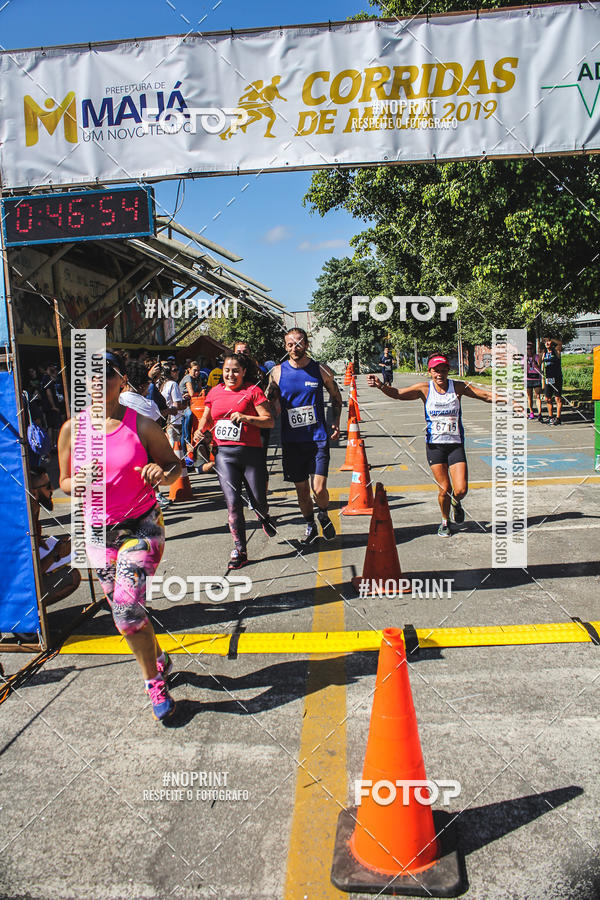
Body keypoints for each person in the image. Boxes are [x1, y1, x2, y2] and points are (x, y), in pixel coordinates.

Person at [58, 351, 182, 722]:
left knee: (127, 613)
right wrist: (78, 482)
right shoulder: (71, 430)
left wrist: (161, 473)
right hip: (98, 533)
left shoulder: (141, 424)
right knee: (129, 614)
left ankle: (154, 683)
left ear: (121, 381)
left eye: (107, 374)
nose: (98, 381)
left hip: (142, 526)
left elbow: (174, 467)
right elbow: (64, 482)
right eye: (91, 375)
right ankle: (158, 657)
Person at [368, 352, 495, 537]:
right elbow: (398, 394)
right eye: (436, 370)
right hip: (435, 447)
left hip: (455, 444)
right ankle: (445, 521)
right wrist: (381, 385)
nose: (440, 374)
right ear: (430, 372)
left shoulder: (457, 387)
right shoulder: (424, 389)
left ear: (448, 371)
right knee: (445, 488)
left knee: (461, 489)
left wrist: (511, 399)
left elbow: (485, 395)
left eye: (443, 370)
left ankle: (455, 502)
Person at [195, 353, 276, 570]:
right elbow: (206, 417)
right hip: (224, 456)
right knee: (232, 504)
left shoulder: (252, 391)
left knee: (258, 501)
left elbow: (269, 421)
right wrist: (200, 430)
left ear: (243, 372)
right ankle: (241, 551)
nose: (231, 375)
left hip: (250, 454)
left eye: (236, 371)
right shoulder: (214, 392)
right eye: (227, 371)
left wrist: (246, 418)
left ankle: (264, 516)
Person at [267, 327, 342, 545]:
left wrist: (335, 421)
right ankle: (310, 525)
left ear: (306, 345)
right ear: (285, 347)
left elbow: (336, 396)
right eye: (290, 344)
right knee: (301, 491)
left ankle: (323, 514)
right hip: (292, 442)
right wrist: (272, 405)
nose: (294, 348)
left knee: (318, 488)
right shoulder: (277, 372)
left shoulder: (320, 370)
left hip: (317, 438)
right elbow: (270, 401)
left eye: (298, 343)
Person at [30, 466, 81, 606]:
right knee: (72, 576)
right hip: (12, 589)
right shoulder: (23, 520)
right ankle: (23, 612)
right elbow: (29, 574)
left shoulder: (33, 508)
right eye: (47, 486)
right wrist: (56, 554)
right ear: (34, 493)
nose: (52, 489)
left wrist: (39, 540)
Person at [157, 362, 184, 447]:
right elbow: (177, 405)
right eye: (175, 370)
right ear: (168, 373)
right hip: (174, 420)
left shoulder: (163, 384)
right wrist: (186, 403)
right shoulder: (173, 384)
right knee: (175, 446)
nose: (178, 372)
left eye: (177, 370)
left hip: (166, 420)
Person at [179, 360, 202, 460]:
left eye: (198, 371)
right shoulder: (188, 378)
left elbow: (200, 392)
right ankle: (186, 447)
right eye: (195, 370)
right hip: (183, 406)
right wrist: (194, 394)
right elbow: (192, 393)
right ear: (189, 370)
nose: (197, 372)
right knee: (188, 415)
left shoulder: (197, 379)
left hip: (191, 403)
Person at [541, 338, 563, 425]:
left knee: (557, 398)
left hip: (557, 378)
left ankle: (558, 418)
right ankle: (551, 417)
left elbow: (560, 343)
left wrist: (551, 339)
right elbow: (541, 364)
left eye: (548, 342)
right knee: (548, 399)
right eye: (545, 342)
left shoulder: (556, 351)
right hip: (548, 378)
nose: (547, 343)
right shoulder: (544, 353)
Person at [526, 340, 543, 422]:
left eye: (530, 348)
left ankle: (539, 413)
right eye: (527, 349)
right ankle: (531, 412)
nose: (529, 350)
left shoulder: (536, 356)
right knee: (529, 397)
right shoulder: (524, 358)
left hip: (536, 378)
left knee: (538, 396)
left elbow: (540, 366)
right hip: (528, 379)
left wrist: (535, 361)